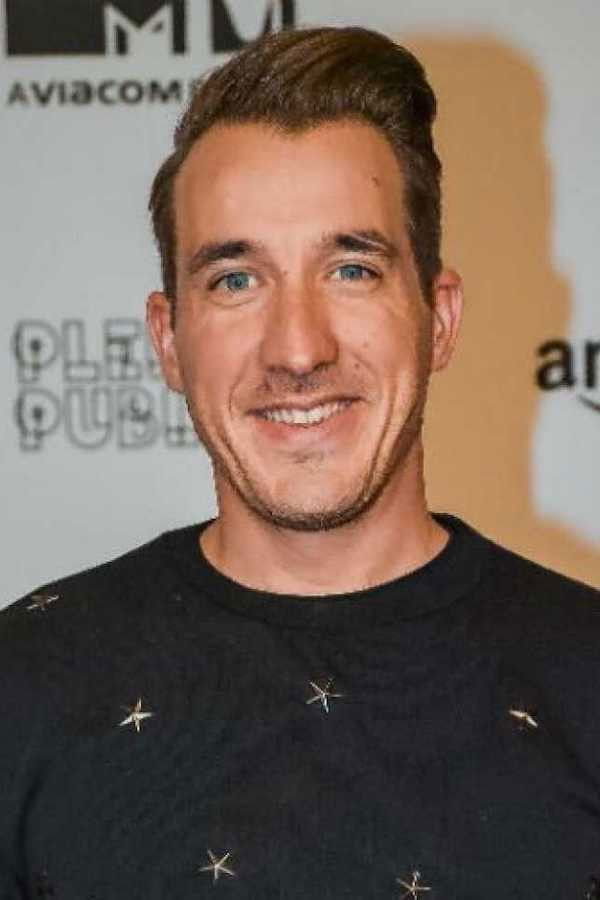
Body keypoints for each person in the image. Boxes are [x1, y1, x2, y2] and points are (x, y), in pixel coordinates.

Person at [1, 25, 599, 900]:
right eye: (235, 280)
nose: (298, 349)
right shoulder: (22, 682)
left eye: (351, 269)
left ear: (438, 318)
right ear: (168, 341)